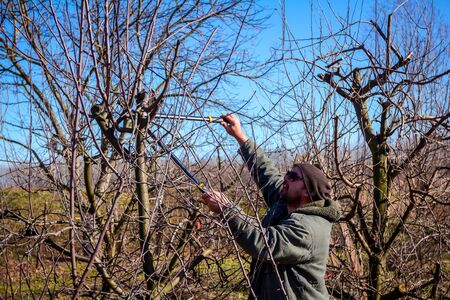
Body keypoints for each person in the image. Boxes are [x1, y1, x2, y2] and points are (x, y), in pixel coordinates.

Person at [201, 114, 341, 299]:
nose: (286, 177)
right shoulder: (286, 203)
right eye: (288, 172)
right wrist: (240, 137)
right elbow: (267, 174)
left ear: (307, 191)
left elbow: (265, 243)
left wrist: (227, 209)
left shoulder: (308, 229)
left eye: (293, 176)